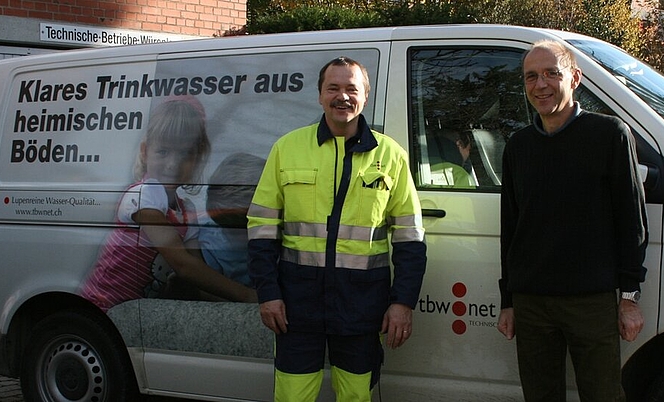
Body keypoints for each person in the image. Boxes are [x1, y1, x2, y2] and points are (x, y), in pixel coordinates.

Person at [247, 56, 427, 402]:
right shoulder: (287, 149)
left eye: (351, 88)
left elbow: (410, 237)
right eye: (333, 88)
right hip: (296, 306)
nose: (342, 96)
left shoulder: (390, 156)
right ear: (319, 95)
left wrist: (402, 302)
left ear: (365, 96)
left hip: (361, 305)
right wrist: (268, 293)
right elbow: (261, 228)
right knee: (292, 396)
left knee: (356, 396)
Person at [497, 40, 648, 401]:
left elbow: (632, 222)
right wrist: (509, 300)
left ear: (575, 78)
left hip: (591, 302)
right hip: (532, 303)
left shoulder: (610, 134)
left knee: (603, 395)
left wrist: (628, 297)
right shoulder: (518, 146)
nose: (541, 85)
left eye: (552, 73)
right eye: (531, 77)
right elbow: (511, 230)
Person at [82, 96, 257, 312]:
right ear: (146, 152)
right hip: (103, 307)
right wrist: (246, 295)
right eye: (163, 152)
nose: (173, 164)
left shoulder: (186, 210)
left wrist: (236, 307)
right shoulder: (144, 195)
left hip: (136, 314)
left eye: (185, 154)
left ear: (198, 159)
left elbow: (199, 274)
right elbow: (183, 265)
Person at [199, 152, 266, 287]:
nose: (249, 234)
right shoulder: (211, 246)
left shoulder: (285, 233)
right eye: (238, 229)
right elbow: (210, 290)